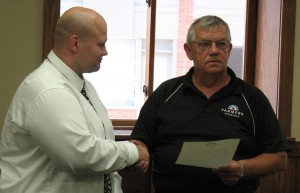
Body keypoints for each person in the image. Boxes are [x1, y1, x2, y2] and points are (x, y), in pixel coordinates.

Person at [130, 15, 290, 193]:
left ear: (229, 49)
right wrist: (141, 151)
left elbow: (279, 158)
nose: (214, 51)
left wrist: (242, 168)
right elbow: (140, 140)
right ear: (189, 51)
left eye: (221, 44)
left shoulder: (251, 97)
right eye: (204, 44)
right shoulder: (167, 93)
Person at [0, 7, 149, 193]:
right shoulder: (48, 89)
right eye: (100, 44)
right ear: (75, 44)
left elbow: (103, 165)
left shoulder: (83, 87)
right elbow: (81, 155)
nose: (105, 52)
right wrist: (134, 152)